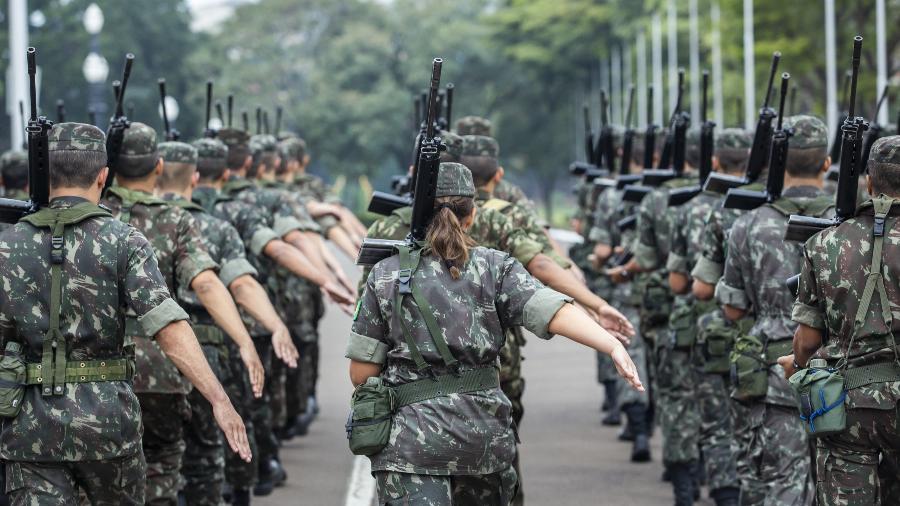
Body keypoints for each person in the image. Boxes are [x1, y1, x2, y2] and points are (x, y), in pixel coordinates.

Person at [347, 163, 643, 505]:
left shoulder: (386, 273)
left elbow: (361, 373)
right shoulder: (496, 267)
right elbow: (552, 310)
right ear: (472, 215)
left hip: (411, 447)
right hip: (483, 443)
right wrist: (610, 345)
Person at [0, 122, 249, 504]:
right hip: (108, 424)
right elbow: (167, 323)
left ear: (43, 174)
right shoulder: (124, 239)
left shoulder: (7, 243)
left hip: (30, 429)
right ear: (103, 176)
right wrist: (219, 398)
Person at [102, 122, 262, 505]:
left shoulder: (94, 216)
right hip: (161, 371)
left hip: (99, 377)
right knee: (160, 469)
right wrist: (244, 341)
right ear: (158, 166)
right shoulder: (174, 220)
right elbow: (206, 284)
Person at [156, 141, 298, 506]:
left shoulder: (122, 225)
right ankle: (244, 485)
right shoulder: (215, 225)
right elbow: (235, 283)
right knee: (215, 441)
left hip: (150, 357)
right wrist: (261, 332)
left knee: (156, 456)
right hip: (212, 344)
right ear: (197, 176)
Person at [717, 115, 833, 505]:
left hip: (775, 373)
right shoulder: (852, 223)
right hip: (844, 373)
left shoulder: (747, 225)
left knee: (784, 484)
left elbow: (732, 310)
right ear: (826, 163)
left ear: (776, 164)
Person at [780, 135, 900, 505]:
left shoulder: (823, 243)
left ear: (869, 181)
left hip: (849, 410)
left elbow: (808, 340)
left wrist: (797, 365)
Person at [666, 128, 752, 506]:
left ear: (716, 163)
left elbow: (685, 283)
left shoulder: (693, 208)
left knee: (709, 417)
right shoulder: (771, 211)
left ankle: (706, 488)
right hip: (770, 336)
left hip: (712, 328)